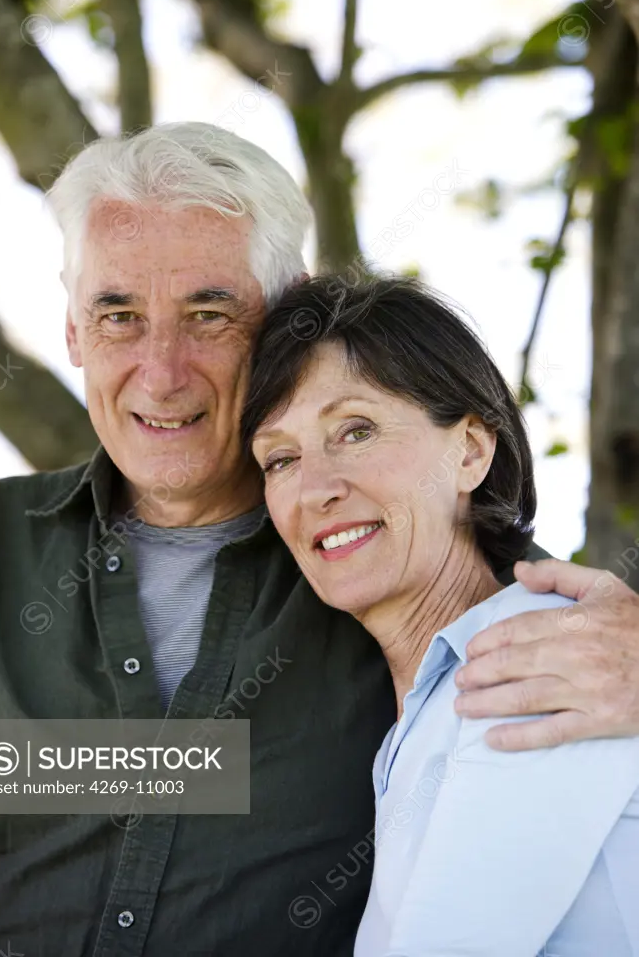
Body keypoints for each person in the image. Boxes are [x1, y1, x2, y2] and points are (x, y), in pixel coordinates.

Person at [0, 123, 638, 957]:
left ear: (286, 313)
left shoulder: (387, 569)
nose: (162, 369)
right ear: (70, 328)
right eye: (118, 314)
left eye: (209, 313)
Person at [243, 272, 639, 956]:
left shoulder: (542, 658)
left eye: (356, 430)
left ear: (471, 451)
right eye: (280, 459)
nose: (316, 489)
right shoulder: (421, 704)